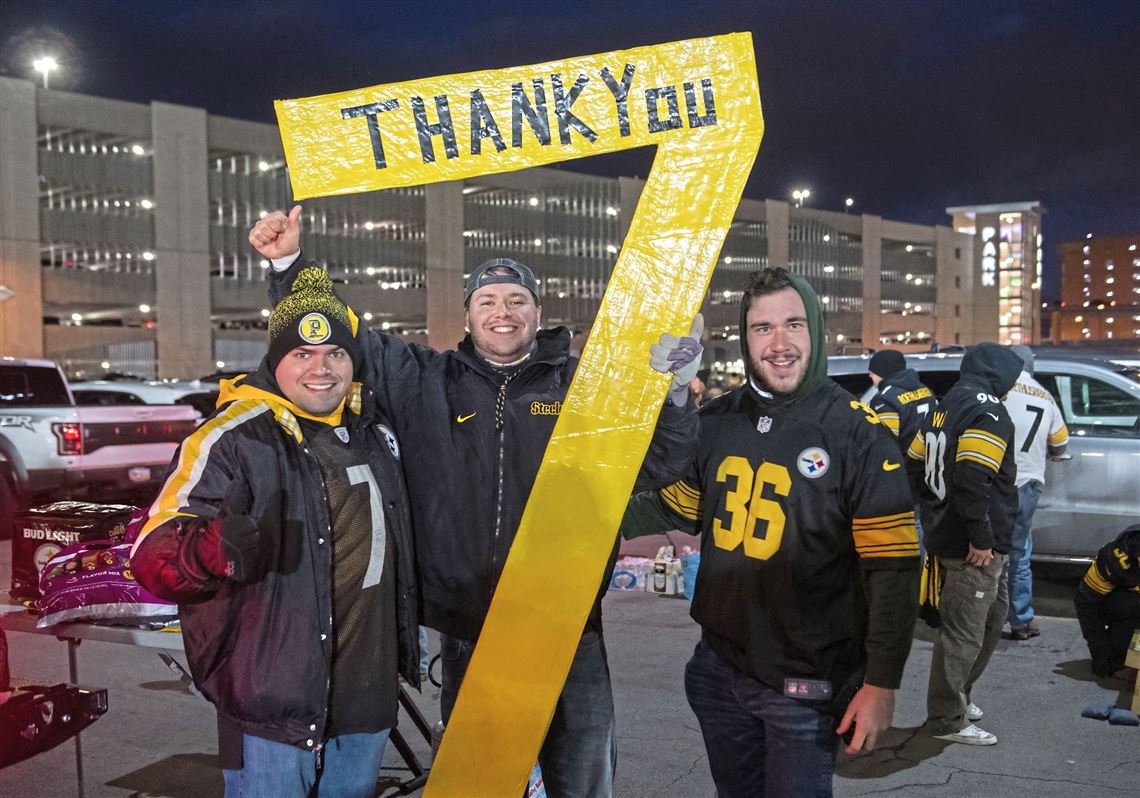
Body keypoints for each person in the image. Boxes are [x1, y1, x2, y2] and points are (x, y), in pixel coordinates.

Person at [250, 207, 700, 798]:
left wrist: (673, 397)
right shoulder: (423, 380)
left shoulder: (580, 388)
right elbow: (338, 332)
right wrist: (288, 265)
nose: (503, 312)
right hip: (468, 623)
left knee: (583, 779)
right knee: (478, 783)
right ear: (467, 313)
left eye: (517, 299)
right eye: (488, 300)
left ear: (539, 313)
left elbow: (657, 463)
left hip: (566, 623)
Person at [619, 267, 920, 798]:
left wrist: (881, 684)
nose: (779, 344)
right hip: (719, 668)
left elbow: (893, 570)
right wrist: (581, 519)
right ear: (745, 336)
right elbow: (676, 507)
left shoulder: (859, 433)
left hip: (804, 686)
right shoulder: (716, 420)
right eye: (762, 328)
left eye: (793, 325)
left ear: (816, 331)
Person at [131, 269, 420, 798]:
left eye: (335, 353)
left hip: (366, 693)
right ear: (275, 361)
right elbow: (152, 554)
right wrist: (210, 549)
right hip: (270, 697)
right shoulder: (232, 436)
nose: (320, 368)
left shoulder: (374, 431)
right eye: (302, 354)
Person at [906, 342, 1022, 746]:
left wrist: (933, 508)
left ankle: (958, 697)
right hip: (973, 544)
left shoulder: (944, 404)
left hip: (954, 534)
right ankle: (946, 719)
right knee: (964, 632)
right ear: (1002, 375)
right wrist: (981, 536)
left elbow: (915, 458)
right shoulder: (988, 411)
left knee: (989, 620)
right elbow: (973, 477)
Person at [1002, 345, 1068, 641]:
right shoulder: (1045, 395)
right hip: (1029, 483)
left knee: (986, 553)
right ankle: (1021, 620)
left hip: (999, 481)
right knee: (1020, 553)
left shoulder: (999, 390)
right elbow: (1060, 443)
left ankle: (984, 617)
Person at [1074, 524, 1140, 679]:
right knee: (1132, 608)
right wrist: (1101, 656)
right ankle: (1118, 661)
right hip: (1112, 603)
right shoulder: (1114, 561)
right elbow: (1086, 605)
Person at [866, 349, 933, 458]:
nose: (870, 375)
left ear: (882, 371)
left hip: (906, 467)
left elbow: (887, 446)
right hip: (929, 463)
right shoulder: (927, 391)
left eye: (872, 371)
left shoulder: (885, 399)